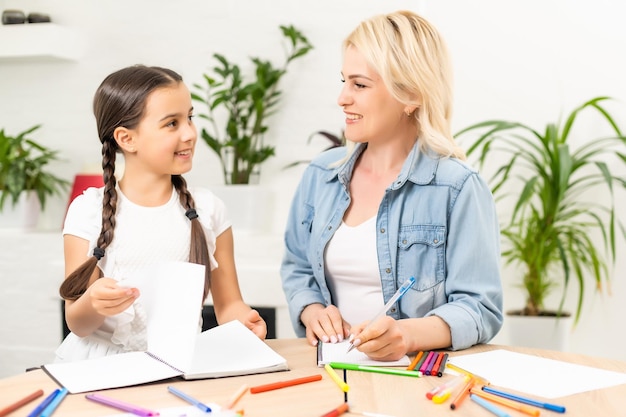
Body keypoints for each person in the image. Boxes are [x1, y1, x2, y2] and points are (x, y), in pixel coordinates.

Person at [280, 10, 503, 361]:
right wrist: (312, 311)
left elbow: (480, 307)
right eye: (344, 81)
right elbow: (297, 267)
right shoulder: (321, 175)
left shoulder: (457, 189)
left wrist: (407, 335)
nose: (342, 98)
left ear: (411, 93)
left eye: (360, 84)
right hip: (327, 370)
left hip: (415, 380)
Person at [56, 65, 266, 362]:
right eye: (172, 123)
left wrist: (244, 321)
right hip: (98, 370)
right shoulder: (88, 210)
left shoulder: (209, 210)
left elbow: (229, 305)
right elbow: (76, 323)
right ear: (126, 138)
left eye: (190, 118)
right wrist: (93, 302)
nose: (190, 133)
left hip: (178, 365)